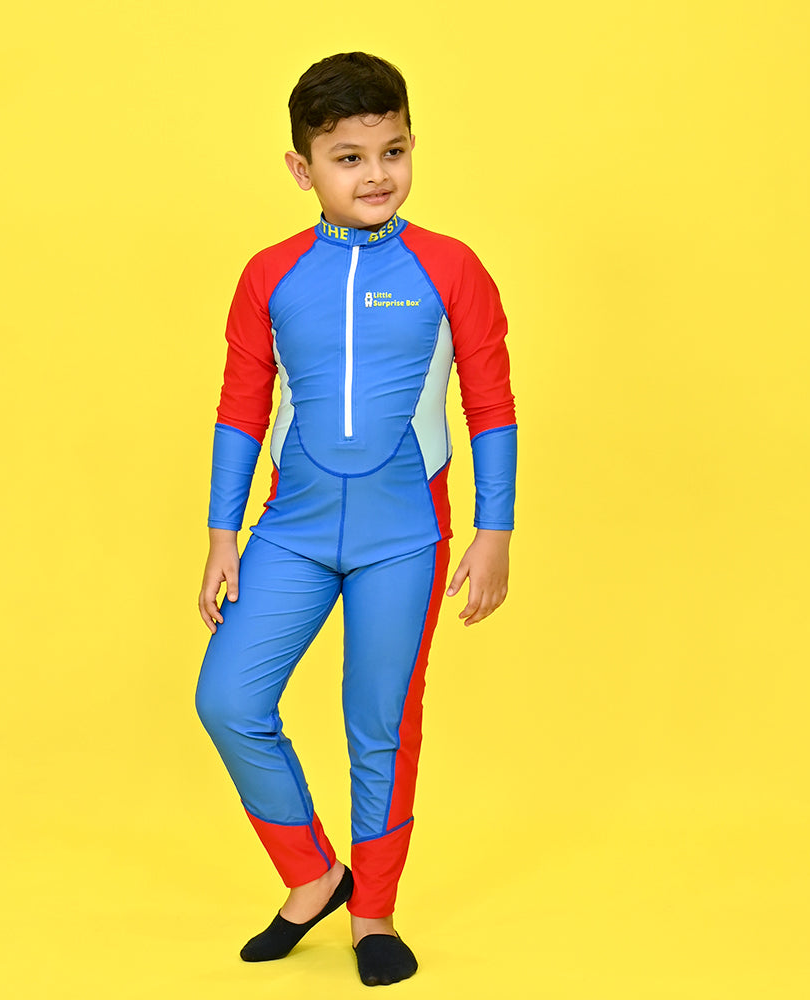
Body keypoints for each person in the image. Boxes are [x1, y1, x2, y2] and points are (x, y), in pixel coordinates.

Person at [195, 51, 516, 987]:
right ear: (303, 169)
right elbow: (240, 407)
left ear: (412, 146)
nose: (376, 175)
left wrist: (494, 532)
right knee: (228, 699)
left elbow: (490, 404)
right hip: (289, 533)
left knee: (380, 724)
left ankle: (372, 911)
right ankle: (314, 876)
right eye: (349, 158)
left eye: (393, 151)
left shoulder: (451, 269)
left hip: (403, 538)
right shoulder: (270, 275)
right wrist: (222, 536)